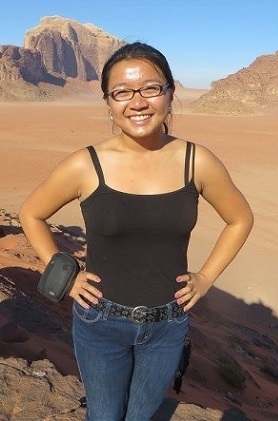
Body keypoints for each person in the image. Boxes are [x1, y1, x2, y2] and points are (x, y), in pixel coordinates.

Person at [19, 41, 254, 421]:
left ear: (170, 92)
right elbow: (31, 213)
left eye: (150, 88)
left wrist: (207, 277)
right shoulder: (86, 164)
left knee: (142, 415)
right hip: (100, 321)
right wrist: (65, 276)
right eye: (122, 92)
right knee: (104, 415)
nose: (138, 102)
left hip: (168, 324)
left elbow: (240, 218)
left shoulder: (198, 161)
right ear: (109, 103)